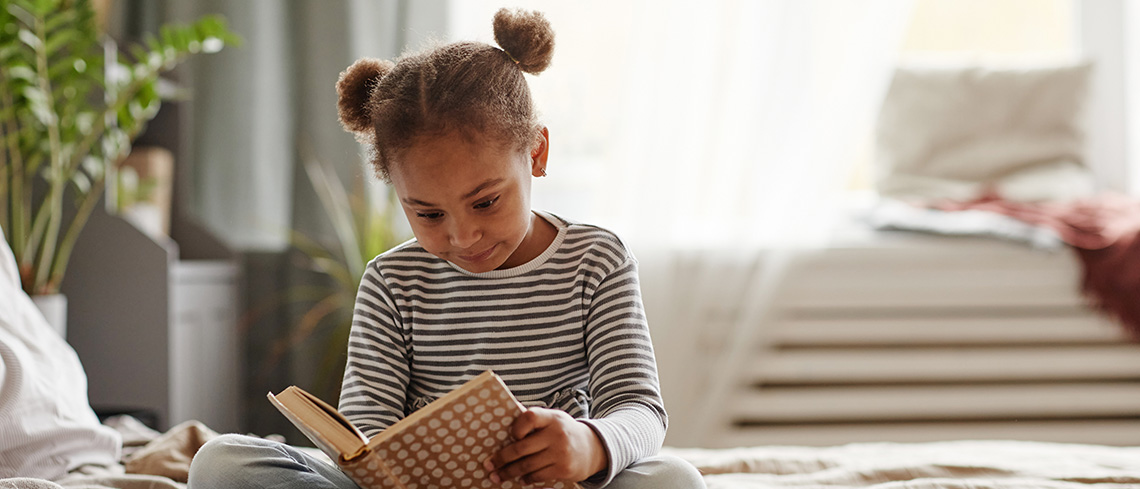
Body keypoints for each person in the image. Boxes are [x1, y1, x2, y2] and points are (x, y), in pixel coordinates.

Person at [188, 8, 704, 489]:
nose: (461, 237)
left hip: (555, 481)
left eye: (486, 202)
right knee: (221, 462)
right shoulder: (392, 281)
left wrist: (590, 445)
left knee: (675, 479)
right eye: (429, 214)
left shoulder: (596, 261)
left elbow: (638, 408)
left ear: (537, 152)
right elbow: (366, 429)